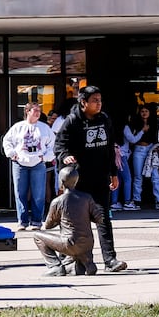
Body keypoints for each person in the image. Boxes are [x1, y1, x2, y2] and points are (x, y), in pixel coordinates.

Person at [56, 86, 129, 273]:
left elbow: (110, 148)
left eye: (100, 100)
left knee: (103, 219)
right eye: (95, 100)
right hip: (79, 180)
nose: (99, 103)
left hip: (100, 178)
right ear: (83, 103)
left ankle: (110, 260)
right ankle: (78, 260)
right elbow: (60, 145)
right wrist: (65, 156)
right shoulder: (72, 122)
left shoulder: (104, 119)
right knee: (79, 223)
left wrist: (113, 173)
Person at [33, 165, 102, 276]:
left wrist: (59, 218)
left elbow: (48, 225)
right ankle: (86, 263)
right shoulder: (87, 197)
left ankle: (55, 266)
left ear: (61, 182)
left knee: (37, 235)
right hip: (87, 244)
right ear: (76, 181)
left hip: (70, 243)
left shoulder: (58, 201)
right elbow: (99, 219)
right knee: (78, 241)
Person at [3, 102, 54, 229]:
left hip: (38, 164)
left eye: (39, 110)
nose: (38, 113)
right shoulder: (17, 127)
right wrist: (11, 154)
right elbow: (7, 141)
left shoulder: (44, 128)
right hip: (20, 163)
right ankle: (22, 221)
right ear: (27, 111)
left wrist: (45, 157)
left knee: (38, 194)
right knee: (20, 193)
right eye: (35, 110)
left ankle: (37, 221)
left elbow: (53, 145)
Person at [130, 103, 159, 211]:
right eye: (142, 111)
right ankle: (137, 200)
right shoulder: (135, 123)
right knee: (138, 176)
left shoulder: (155, 123)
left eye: (146, 111)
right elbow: (132, 139)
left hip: (151, 150)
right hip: (138, 150)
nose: (144, 113)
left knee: (155, 175)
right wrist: (142, 130)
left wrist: (158, 146)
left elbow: (158, 137)